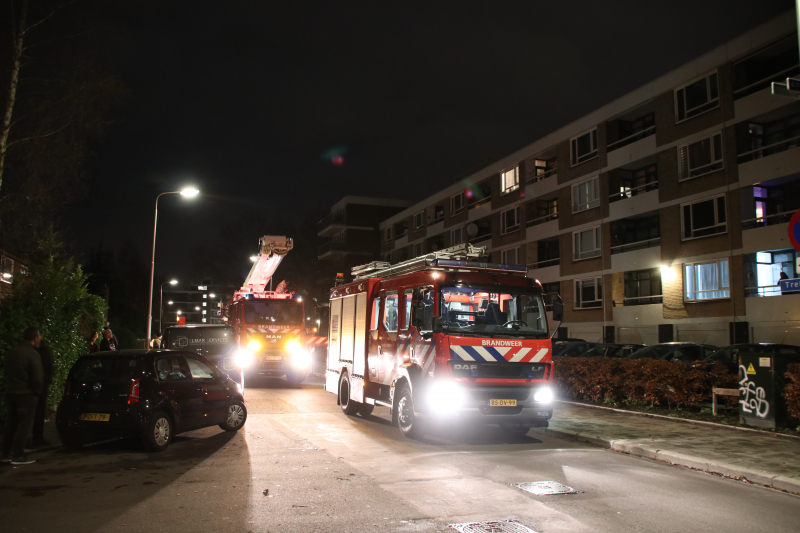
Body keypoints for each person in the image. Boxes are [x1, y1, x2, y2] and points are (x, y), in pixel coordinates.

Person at [2, 327, 44, 465]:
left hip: (10, 391)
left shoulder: (11, 352)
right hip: (26, 393)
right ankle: (18, 454)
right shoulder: (32, 354)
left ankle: (6, 453)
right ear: (35, 338)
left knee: (12, 424)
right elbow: (37, 377)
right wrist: (37, 392)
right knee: (25, 425)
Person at [29, 338, 54, 448]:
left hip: (35, 389)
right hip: (39, 388)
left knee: (34, 415)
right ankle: (36, 439)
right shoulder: (41, 353)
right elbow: (48, 370)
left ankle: (35, 439)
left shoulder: (36, 352)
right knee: (36, 415)